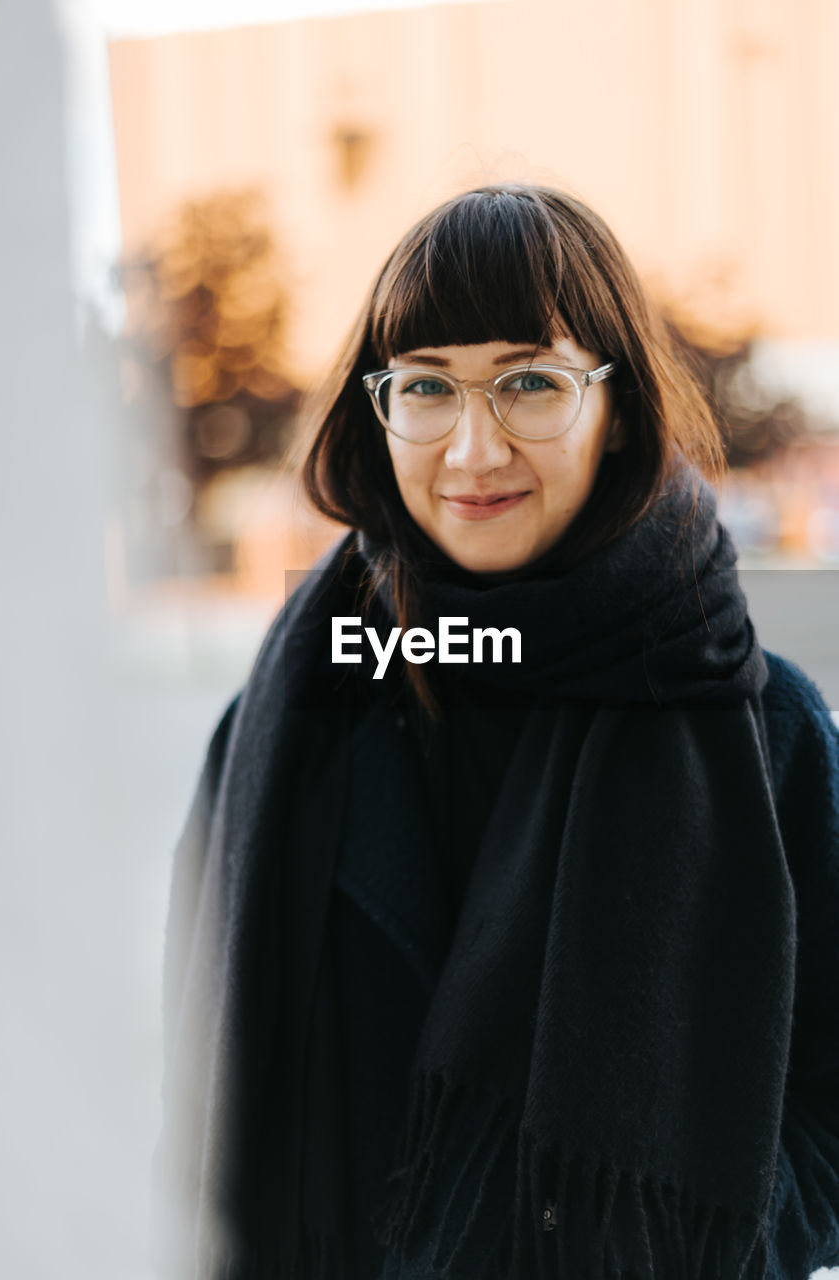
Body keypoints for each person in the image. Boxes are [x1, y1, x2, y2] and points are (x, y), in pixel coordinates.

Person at [155, 184, 839, 1280]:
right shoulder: (292, 715)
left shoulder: (764, 731)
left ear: (616, 406)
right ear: (378, 415)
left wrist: (723, 1232)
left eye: (529, 383)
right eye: (425, 387)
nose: (473, 450)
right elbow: (189, 1069)